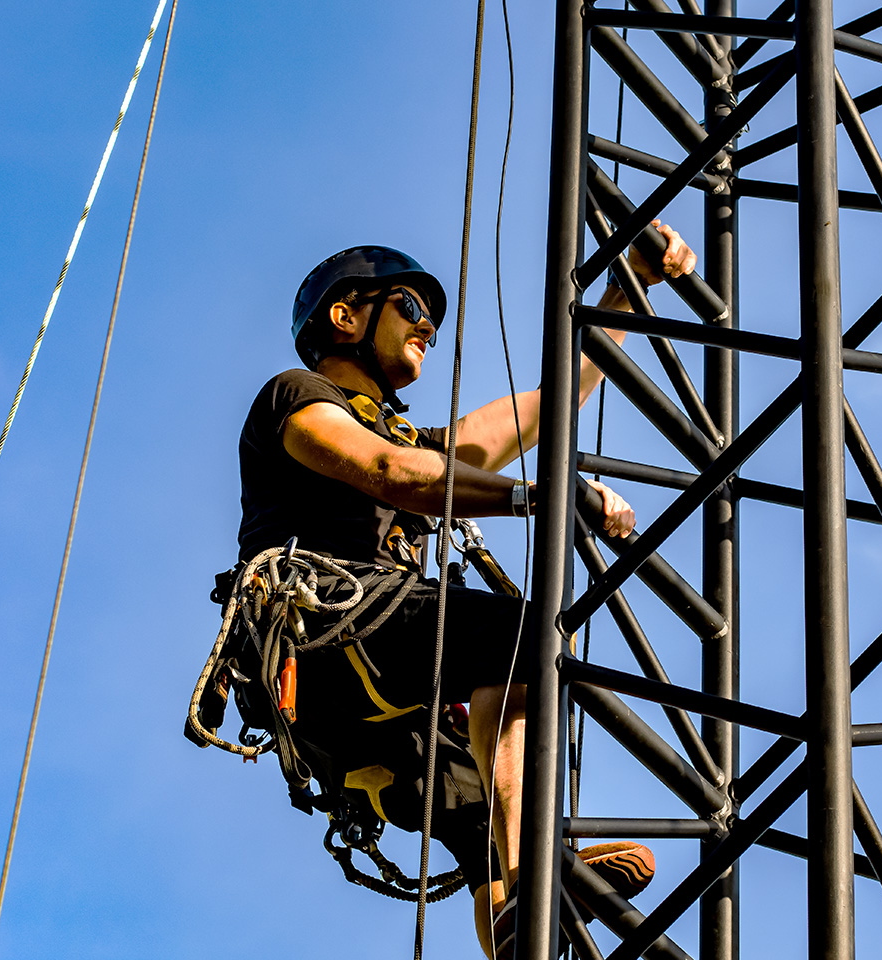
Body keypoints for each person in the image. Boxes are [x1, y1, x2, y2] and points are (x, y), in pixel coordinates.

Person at [235, 226, 696, 957]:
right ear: (345, 317)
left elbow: (552, 399)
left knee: (479, 809)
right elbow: (391, 474)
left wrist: (627, 285)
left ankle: (518, 921)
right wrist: (534, 498)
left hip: (367, 690)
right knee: (522, 633)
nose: (427, 326)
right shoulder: (298, 398)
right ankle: (531, 875)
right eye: (411, 305)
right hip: (322, 631)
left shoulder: (420, 441)